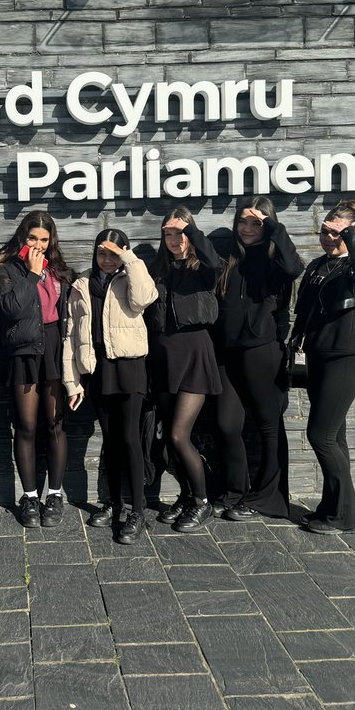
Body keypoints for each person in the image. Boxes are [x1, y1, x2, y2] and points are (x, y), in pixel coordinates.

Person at [290, 200, 355, 534]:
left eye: (337, 232)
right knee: (336, 439)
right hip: (317, 358)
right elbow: (303, 312)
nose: (329, 237)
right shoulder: (316, 266)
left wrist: (352, 235)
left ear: (351, 233)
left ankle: (347, 516)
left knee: (320, 435)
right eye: (325, 230)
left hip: (344, 360)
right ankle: (335, 508)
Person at [64, 228, 157, 543]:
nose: (106, 260)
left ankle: (137, 512)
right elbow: (71, 336)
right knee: (111, 441)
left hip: (129, 367)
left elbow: (146, 297)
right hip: (97, 369)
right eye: (102, 253)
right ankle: (113, 503)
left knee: (130, 439)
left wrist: (128, 258)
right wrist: (72, 382)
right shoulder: (80, 285)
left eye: (113, 254)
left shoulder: (131, 278)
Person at [214, 197, 304, 521]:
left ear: (268, 225)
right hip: (227, 354)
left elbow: (295, 267)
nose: (248, 228)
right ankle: (235, 491)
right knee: (226, 424)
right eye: (243, 221)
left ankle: (270, 500)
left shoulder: (275, 261)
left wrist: (273, 228)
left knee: (269, 427)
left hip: (261, 351)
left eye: (256, 223)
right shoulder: (228, 256)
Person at [0, 210, 74, 527]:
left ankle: (54, 493)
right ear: (22, 238)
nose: (38, 245)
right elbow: (13, 309)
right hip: (24, 351)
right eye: (32, 238)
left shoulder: (59, 271)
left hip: (53, 348)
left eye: (43, 239)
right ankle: (28, 497)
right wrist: (31, 274)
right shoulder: (6, 270)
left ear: (51, 240)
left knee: (54, 423)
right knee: (25, 426)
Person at [145, 207, 222, 532]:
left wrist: (191, 230)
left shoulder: (203, 267)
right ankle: (187, 494)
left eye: (180, 232)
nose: (174, 239)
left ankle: (202, 501)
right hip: (163, 359)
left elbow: (214, 263)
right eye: (168, 233)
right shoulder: (159, 270)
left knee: (179, 435)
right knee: (166, 437)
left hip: (194, 355)